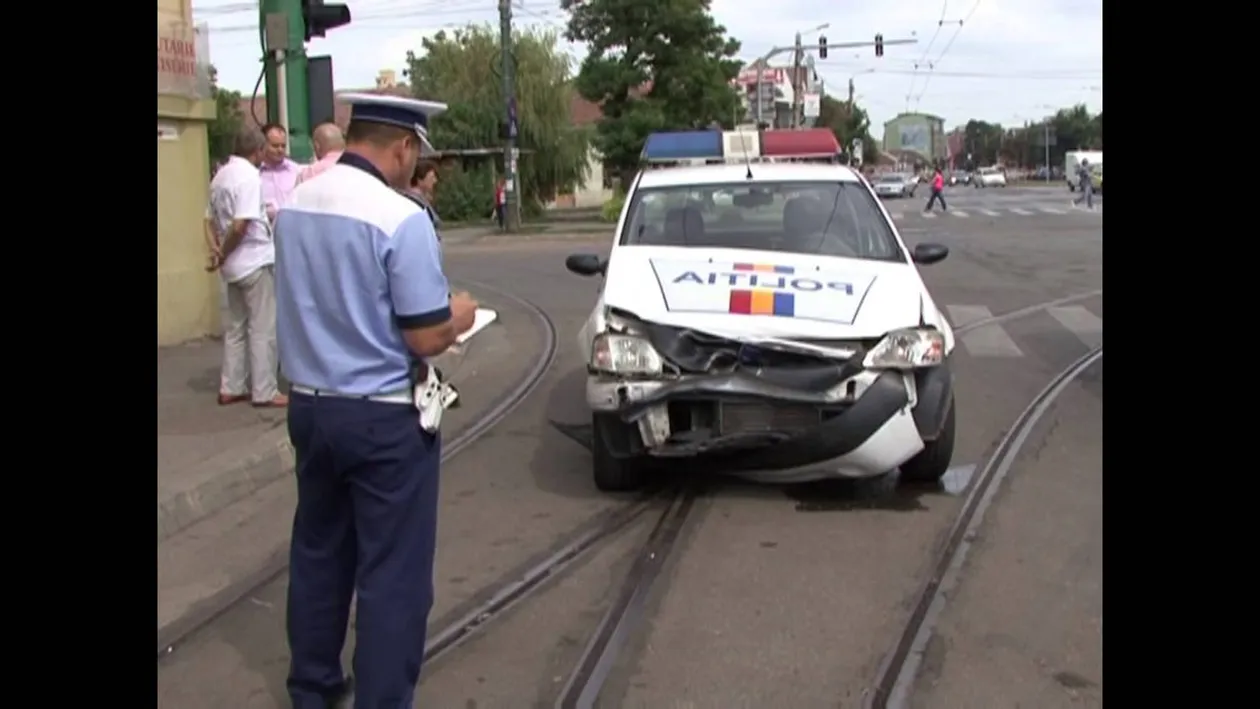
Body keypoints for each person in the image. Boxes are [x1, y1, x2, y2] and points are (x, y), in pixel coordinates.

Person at [273, 93, 479, 709]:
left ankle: (312, 689)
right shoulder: (400, 217)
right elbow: (424, 332)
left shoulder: (294, 204)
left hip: (310, 408)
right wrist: (460, 315)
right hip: (383, 416)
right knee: (392, 575)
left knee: (318, 554)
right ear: (403, 147)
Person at [204, 125, 287, 408]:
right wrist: (225, 250)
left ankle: (232, 384)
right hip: (254, 258)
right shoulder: (250, 178)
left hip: (233, 267)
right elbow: (242, 224)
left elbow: (208, 220)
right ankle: (264, 389)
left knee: (236, 327)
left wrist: (217, 251)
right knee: (263, 327)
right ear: (257, 150)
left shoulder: (221, 176)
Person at [260, 122, 302, 222]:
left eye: (283, 146)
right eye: (275, 146)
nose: (280, 150)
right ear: (263, 145)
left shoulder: (296, 171)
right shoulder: (255, 173)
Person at [402, 159, 442, 234]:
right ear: (420, 180)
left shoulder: (423, 199)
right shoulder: (413, 202)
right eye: (431, 177)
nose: (435, 181)